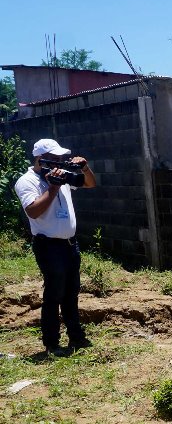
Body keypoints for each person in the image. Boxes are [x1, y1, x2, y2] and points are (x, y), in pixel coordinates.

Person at [14, 138, 97, 356]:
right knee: (54, 293)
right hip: (48, 246)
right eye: (55, 159)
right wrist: (52, 188)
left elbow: (89, 183)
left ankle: (76, 337)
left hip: (70, 244)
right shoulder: (27, 181)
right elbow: (32, 211)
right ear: (41, 160)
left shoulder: (63, 175)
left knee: (71, 292)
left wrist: (83, 167)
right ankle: (51, 343)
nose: (60, 163)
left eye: (62, 159)